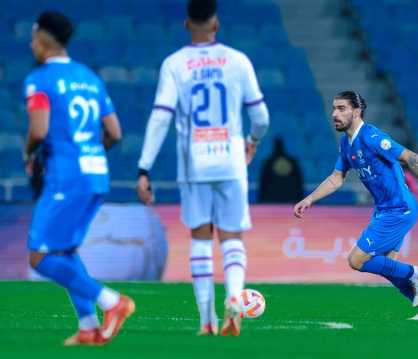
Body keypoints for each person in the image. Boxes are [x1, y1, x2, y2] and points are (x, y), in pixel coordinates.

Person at [136, 0, 269, 336]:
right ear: (216, 24)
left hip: (194, 163)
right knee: (232, 236)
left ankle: (206, 320)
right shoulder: (238, 60)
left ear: (186, 24)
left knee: (200, 237)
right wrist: (252, 139)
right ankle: (234, 309)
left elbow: (161, 116)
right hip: (230, 161)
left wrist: (144, 168)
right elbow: (261, 117)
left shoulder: (174, 64)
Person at [23, 11, 134, 346]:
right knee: (65, 250)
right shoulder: (89, 77)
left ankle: (112, 302)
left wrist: (28, 154)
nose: (30, 44)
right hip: (97, 174)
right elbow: (114, 132)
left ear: (42, 37)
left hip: (66, 177)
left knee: (39, 256)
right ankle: (88, 327)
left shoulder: (39, 79)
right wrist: (89, 154)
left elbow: (39, 130)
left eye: (32, 37)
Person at [293, 91, 418, 320]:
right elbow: (336, 178)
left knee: (356, 260)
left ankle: (417, 272)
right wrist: (309, 199)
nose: (335, 114)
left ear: (357, 111)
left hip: (399, 209)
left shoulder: (372, 137)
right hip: (385, 209)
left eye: (342, 108)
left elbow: (411, 157)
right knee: (386, 265)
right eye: (334, 108)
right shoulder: (346, 143)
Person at [258, 136, 304, 203]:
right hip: (290, 198)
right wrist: (300, 197)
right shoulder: (292, 161)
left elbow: (263, 182)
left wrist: (262, 199)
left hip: (272, 199)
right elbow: (299, 181)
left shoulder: (268, 162)